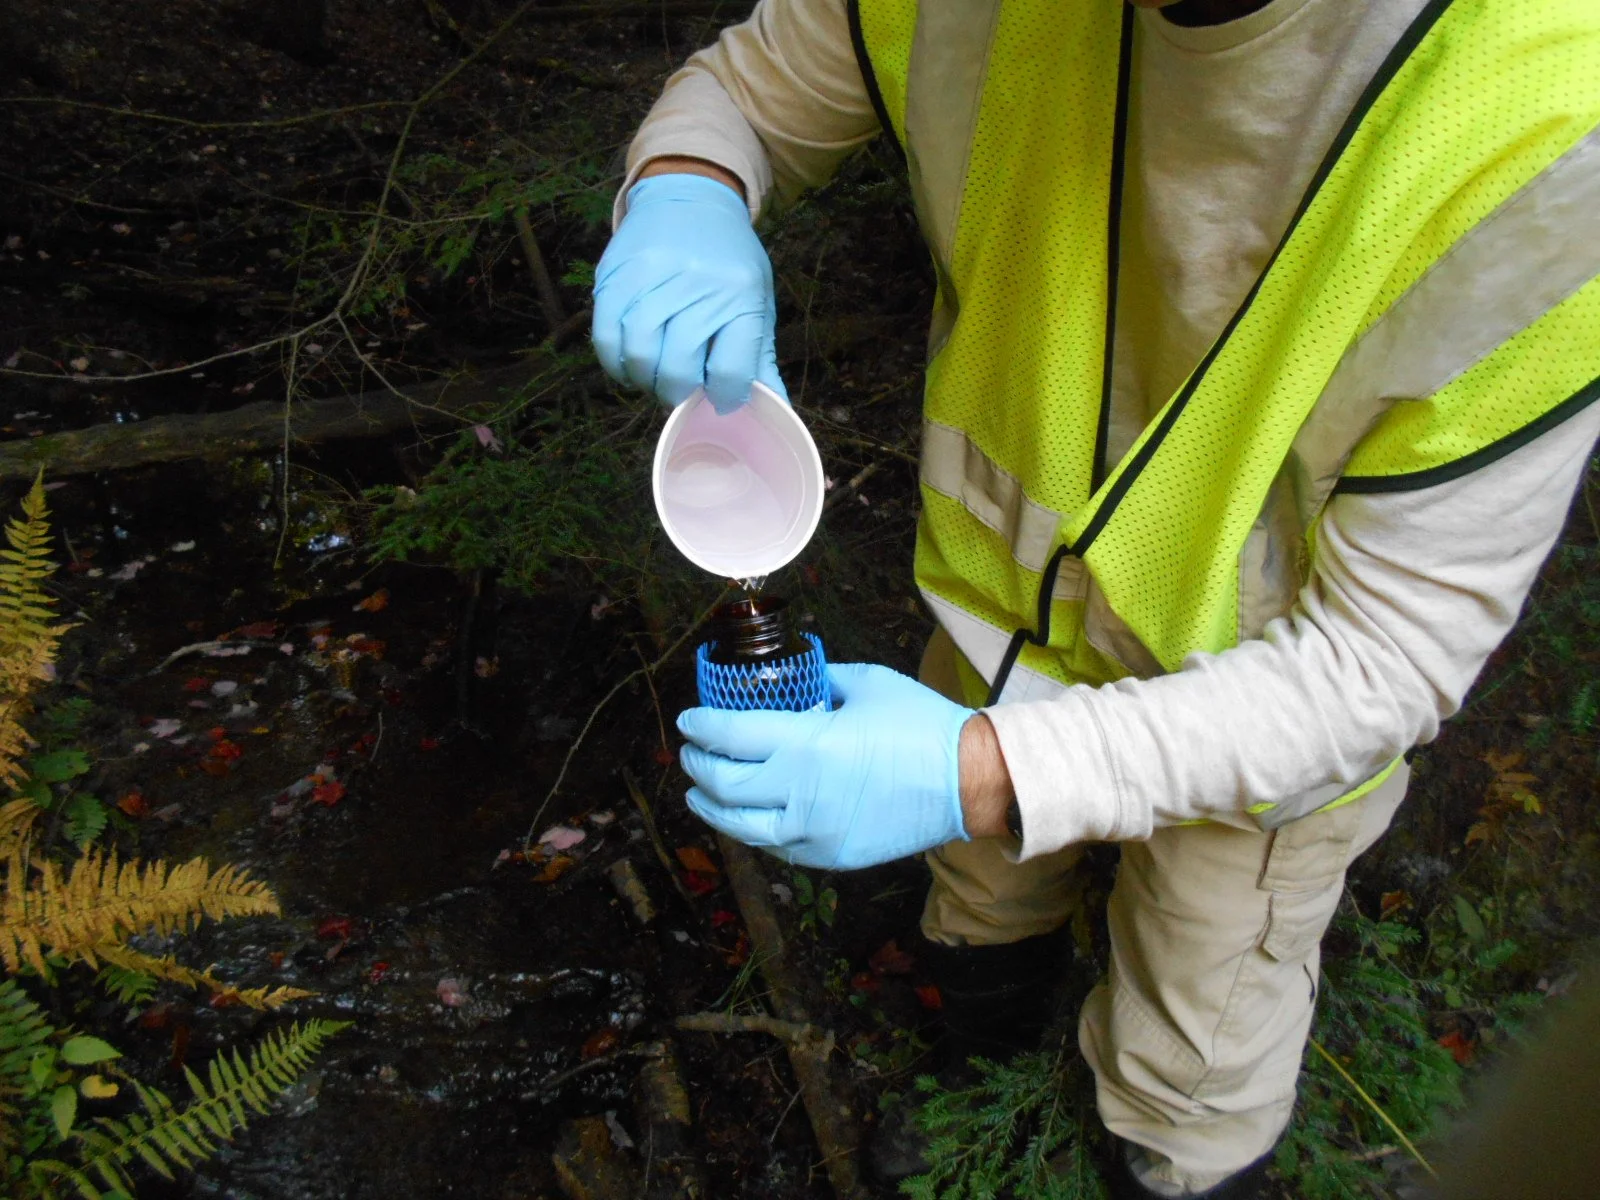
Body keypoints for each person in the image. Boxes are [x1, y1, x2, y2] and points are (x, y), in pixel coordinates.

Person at [590, 0, 1600, 1195]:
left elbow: (1384, 657)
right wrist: (689, 184)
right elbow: (754, 87)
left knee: (1197, 1030)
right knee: (977, 893)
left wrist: (974, 773)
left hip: (1264, 722)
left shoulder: (1542, 125)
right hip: (991, 619)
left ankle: (1160, 1162)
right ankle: (979, 1069)